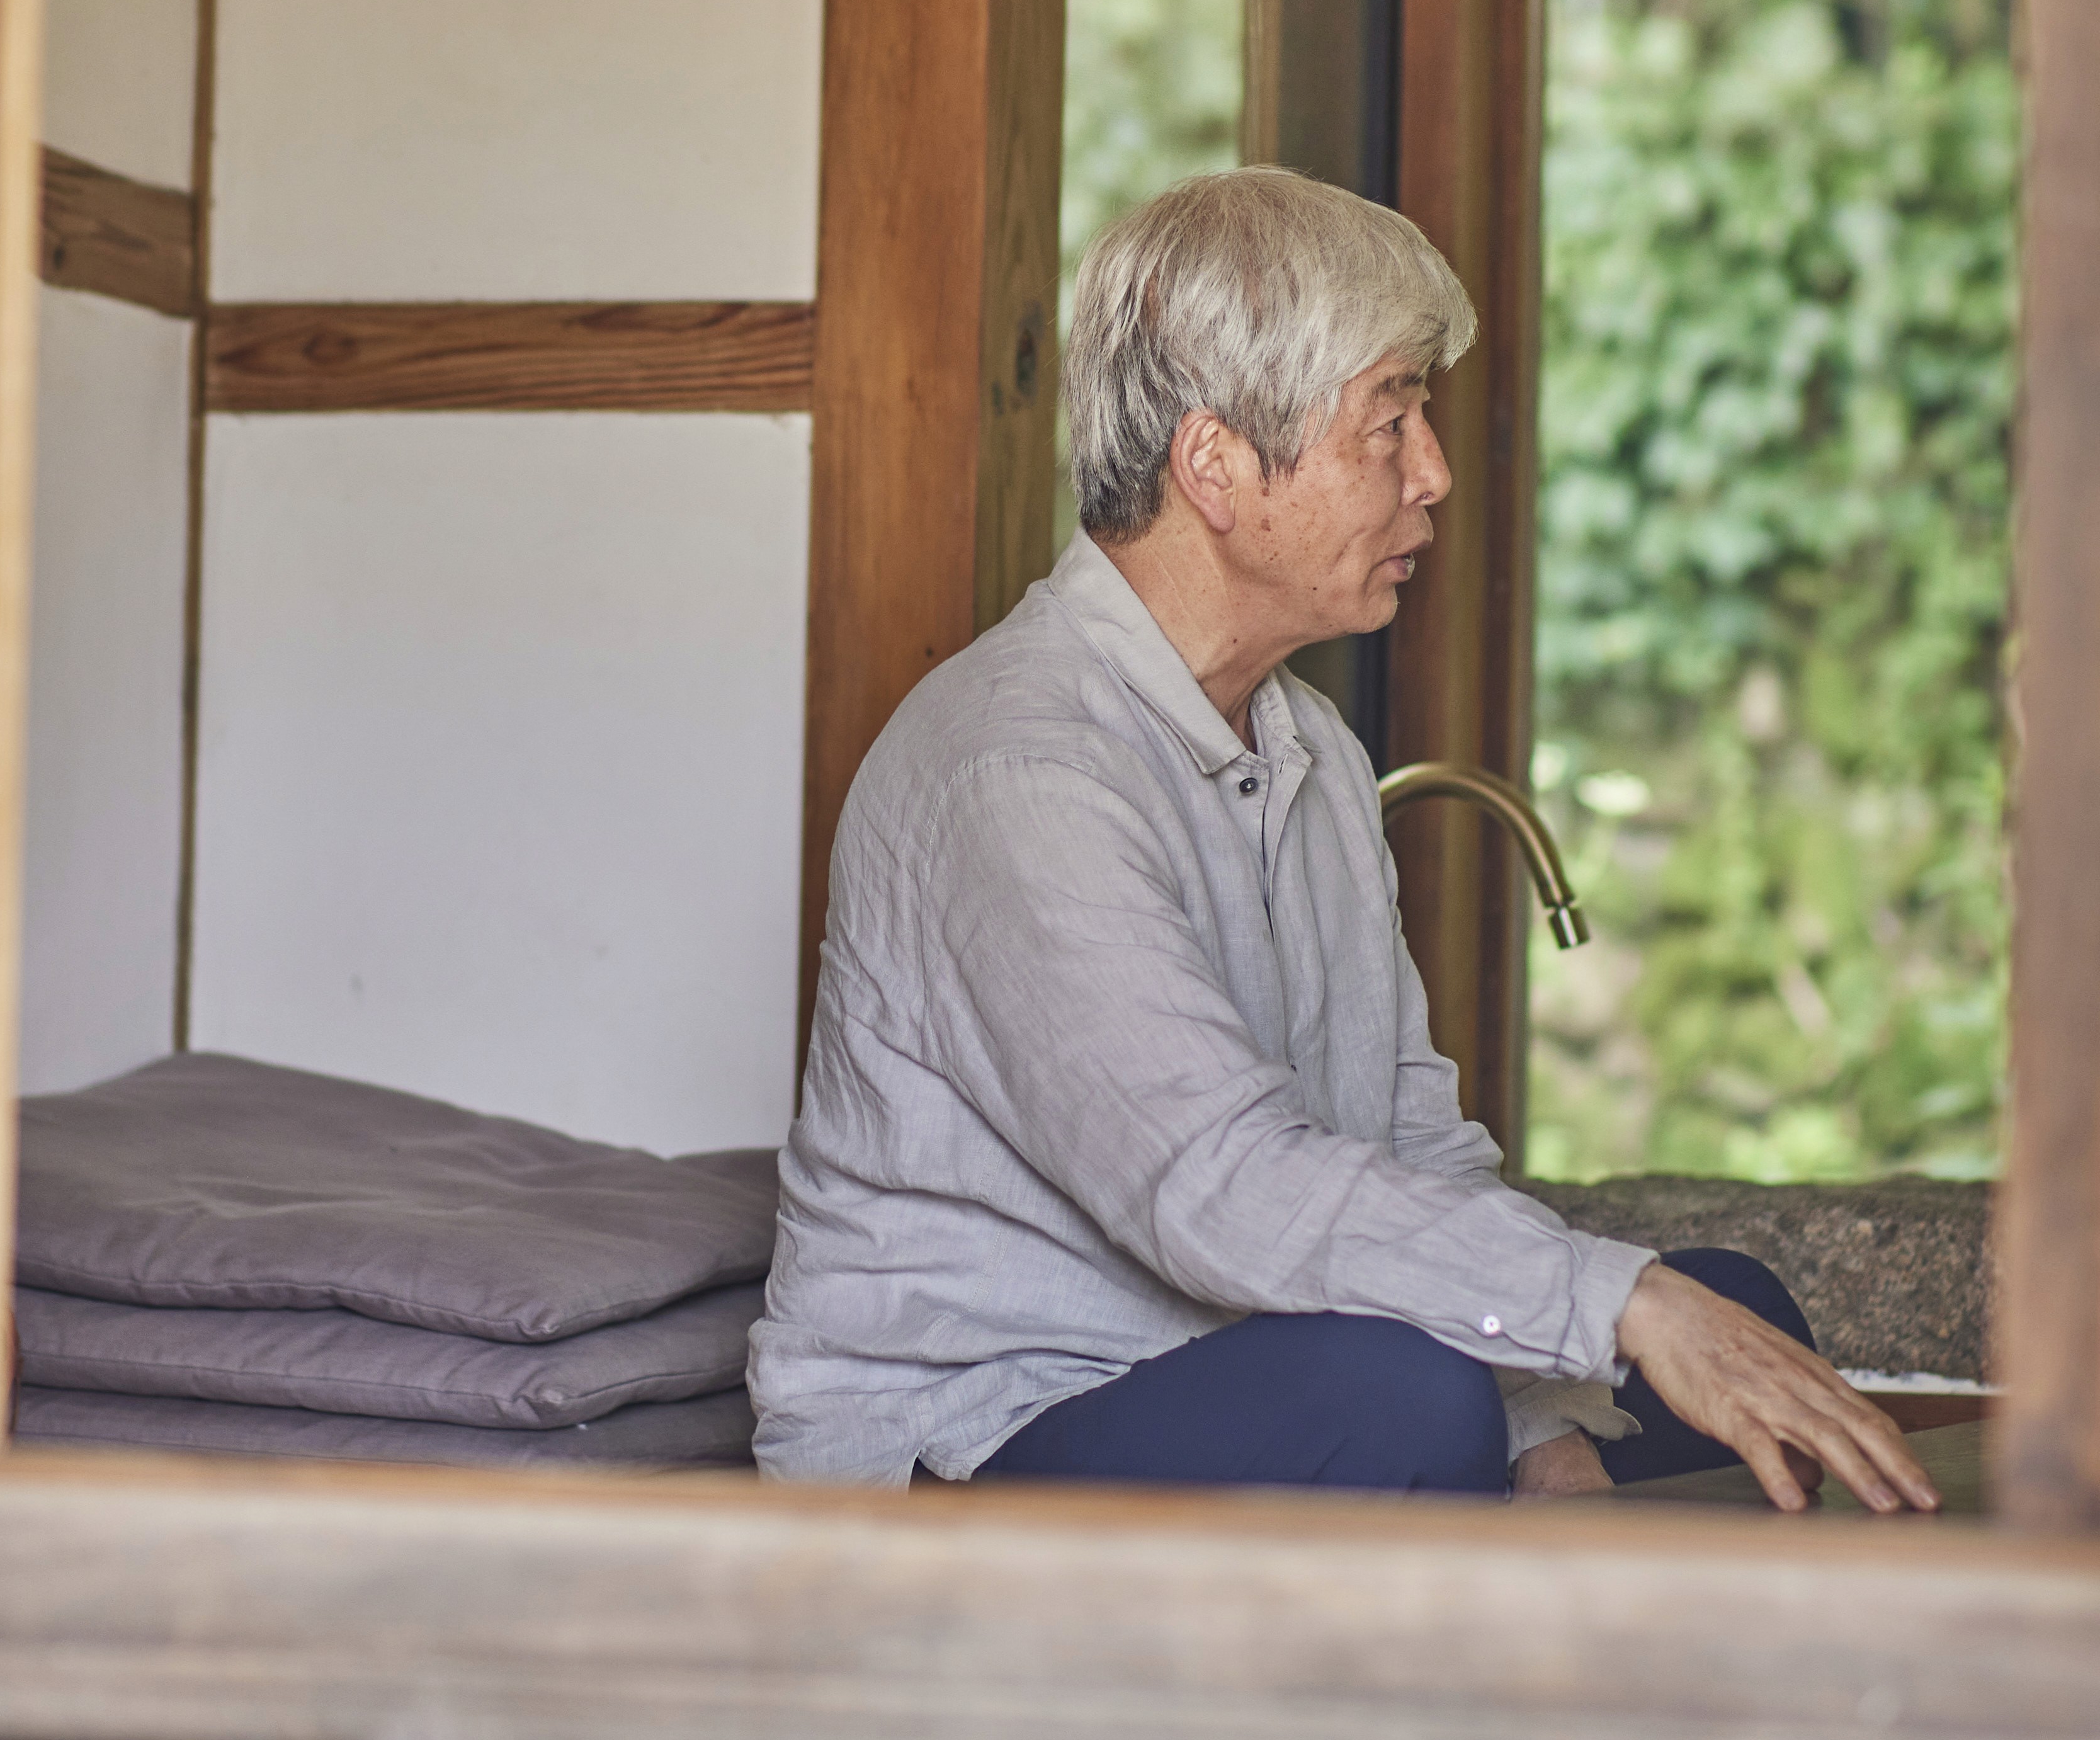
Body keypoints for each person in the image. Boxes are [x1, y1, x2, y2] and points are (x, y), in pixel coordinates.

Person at [749, 168, 1935, 1514]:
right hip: (977, 1429)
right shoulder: (1014, 765)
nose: (1431, 475)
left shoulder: (1307, 747)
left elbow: (1406, 1140)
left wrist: (1543, 1421)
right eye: (1389, 420)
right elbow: (1216, 1191)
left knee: (1731, 1311)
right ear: (1214, 466)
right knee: (1415, 1398)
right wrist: (1608, 1309)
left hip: (1248, 1363)